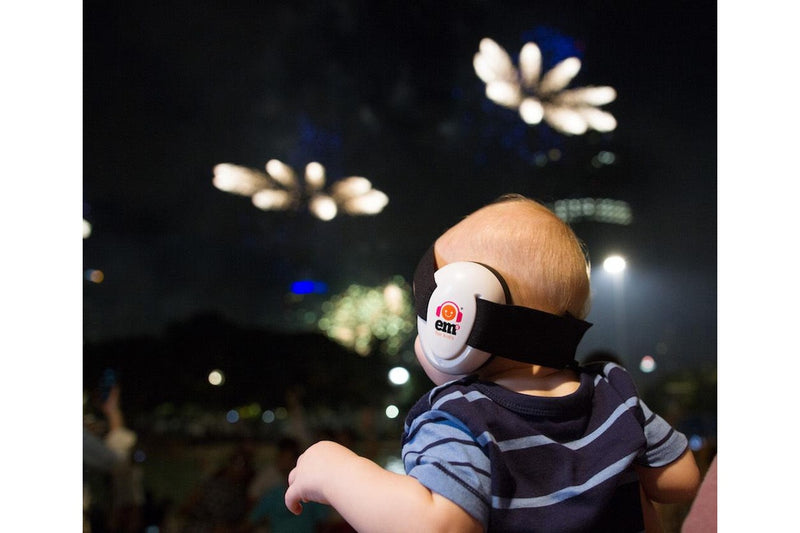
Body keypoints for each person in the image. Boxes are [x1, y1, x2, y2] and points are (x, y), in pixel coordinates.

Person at [284, 194, 701, 532]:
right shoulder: (613, 391)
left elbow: (437, 526)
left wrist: (336, 470)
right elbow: (681, 480)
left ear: (457, 317)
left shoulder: (462, 418)